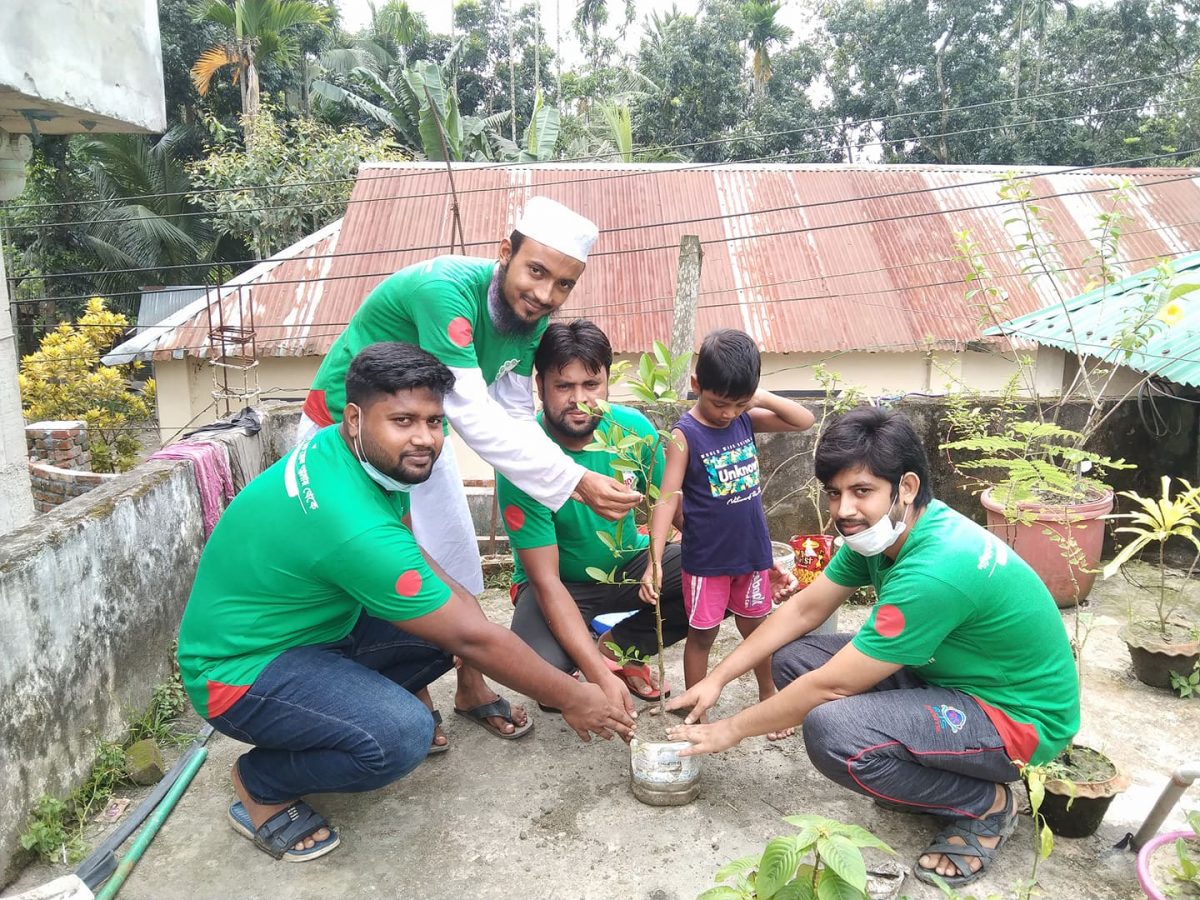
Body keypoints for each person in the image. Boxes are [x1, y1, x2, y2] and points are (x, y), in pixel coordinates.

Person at [178, 343, 634, 863]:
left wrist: (469, 618)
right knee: (400, 737)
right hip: (237, 673)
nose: (424, 438)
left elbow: (417, 558)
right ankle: (262, 783)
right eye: (403, 421)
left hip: (311, 629)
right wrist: (576, 697)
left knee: (450, 628)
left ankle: (347, 710)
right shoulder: (349, 523)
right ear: (355, 417)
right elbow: (472, 638)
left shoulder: (349, 452)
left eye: (434, 421)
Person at [665, 407, 1080, 889]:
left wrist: (730, 730)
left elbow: (833, 686)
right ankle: (914, 759)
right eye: (834, 492)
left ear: (906, 487)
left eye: (862, 491)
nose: (844, 510)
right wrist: (717, 678)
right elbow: (803, 611)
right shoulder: (887, 535)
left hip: (1018, 720)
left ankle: (986, 804)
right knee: (791, 658)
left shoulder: (935, 569)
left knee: (833, 733)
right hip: (950, 675)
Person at [297, 197, 640, 598]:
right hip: (344, 429)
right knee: (363, 564)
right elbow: (471, 410)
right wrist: (574, 479)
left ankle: (463, 635)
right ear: (506, 252)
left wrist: (571, 478)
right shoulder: (444, 290)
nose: (545, 294)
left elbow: (514, 411)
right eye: (536, 271)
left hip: (423, 430)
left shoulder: (531, 317)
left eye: (564, 284)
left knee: (450, 552)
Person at [498, 319, 692, 707]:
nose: (579, 399)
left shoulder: (633, 431)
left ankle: (620, 647)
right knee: (549, 681)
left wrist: (749, 563)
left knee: (719, 574)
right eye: (563, 386)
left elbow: (674, 507)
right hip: (560, 584)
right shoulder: (522, 457)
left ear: (607, 384)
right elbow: (546, 580)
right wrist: (599, 678)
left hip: (631, 567)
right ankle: (585, 656)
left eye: (591, 384)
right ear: (539, 386)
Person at [642, 329, 814, 735]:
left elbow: (804, 420)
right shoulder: (685, 435)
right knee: (702, 635)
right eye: (719, 403)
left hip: (752, 555)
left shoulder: (745, 418)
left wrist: (757, 398)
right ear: (696, 385)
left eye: (738, 403)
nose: (727, 413)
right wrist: (654, 560)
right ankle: (696, 709)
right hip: (706, 562)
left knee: (757, 630)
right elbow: (666, 499)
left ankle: (769, 694)